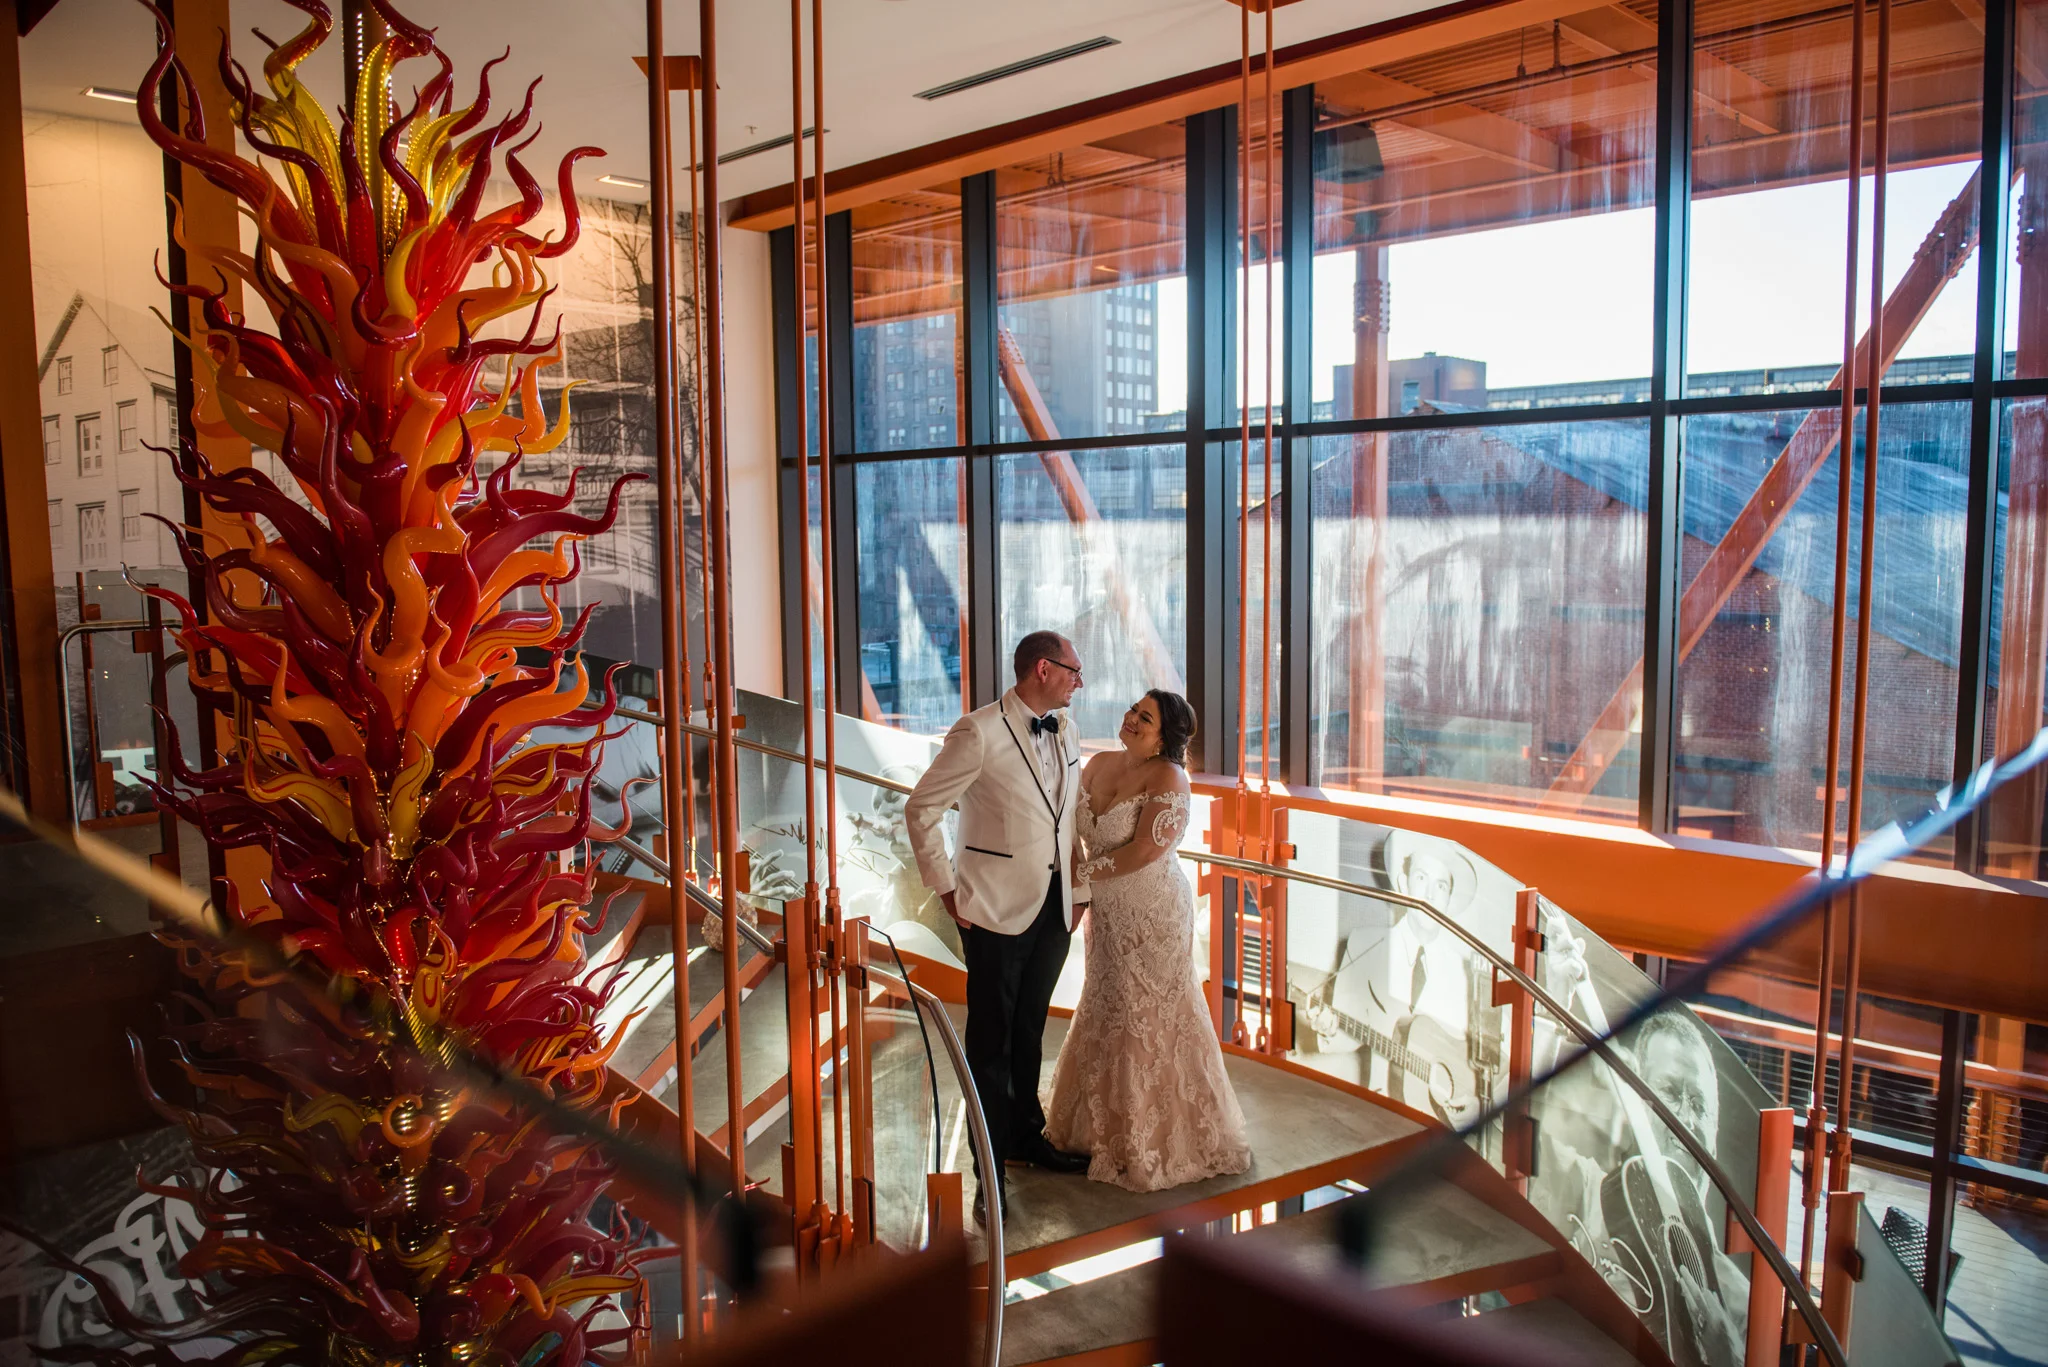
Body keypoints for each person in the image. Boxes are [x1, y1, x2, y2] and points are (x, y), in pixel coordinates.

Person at [904, 631, 1094, 1226]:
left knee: (1031, 1031)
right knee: (991, 1045)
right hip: (991, 909)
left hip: (1054, 908)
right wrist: (946, 888)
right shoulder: (979, 731)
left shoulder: (1066, 730)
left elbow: (1068, 818)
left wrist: (1079, 891)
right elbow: (921, 809)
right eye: (1073, 670)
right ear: (1043, 669)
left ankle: (1025, 1139)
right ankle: (988, 1172)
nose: (1078, 681)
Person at [1042, 690, 1251, 1192]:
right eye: (1133, 710)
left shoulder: (1170, 778)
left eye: (1145, 717)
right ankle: (1099, 1128)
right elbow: (1068, 827)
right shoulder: (1099, 763)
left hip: (1153, 913)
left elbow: (1143, 850)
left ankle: (1153, 1137)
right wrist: (1078, 881)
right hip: (1107, 913)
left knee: (1151, 1014)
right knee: (1107, 1003)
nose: (1131, 719)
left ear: (1163, 737)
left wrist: (1079, 878)